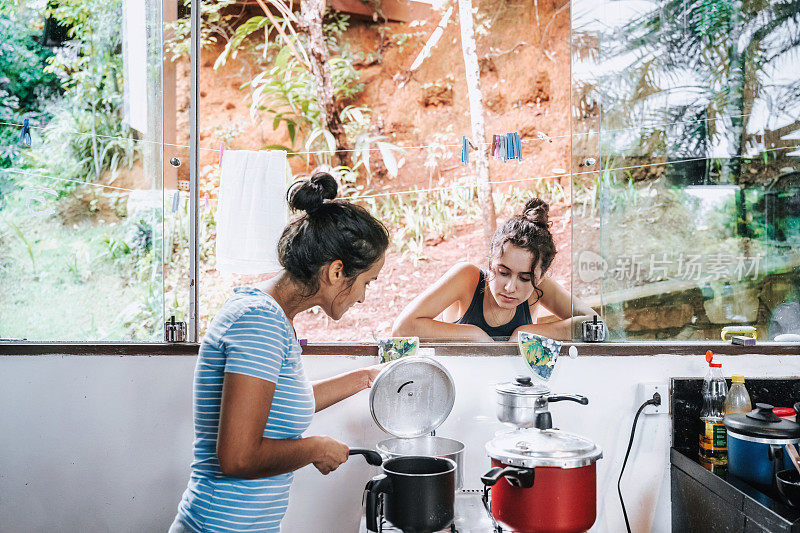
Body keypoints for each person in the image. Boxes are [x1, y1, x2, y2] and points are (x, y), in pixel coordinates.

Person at [169, 172, 390, 533]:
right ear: (337, 272)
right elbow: (238, 458)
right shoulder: (258, 322)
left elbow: (281, 402)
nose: (364, 295)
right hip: (217, 526)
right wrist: (314, 448)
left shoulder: (273, 318)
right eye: (366, 281)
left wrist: (365, 377)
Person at [393, 197, 594, 341]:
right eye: (503, 272)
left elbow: (595, 323)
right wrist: (474, 335)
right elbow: (403, 328)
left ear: (540, 278)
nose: (510, 287)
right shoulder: (467, 278)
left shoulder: (539, 285)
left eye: (525, 278)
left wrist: (528, 333)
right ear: (490, 262)